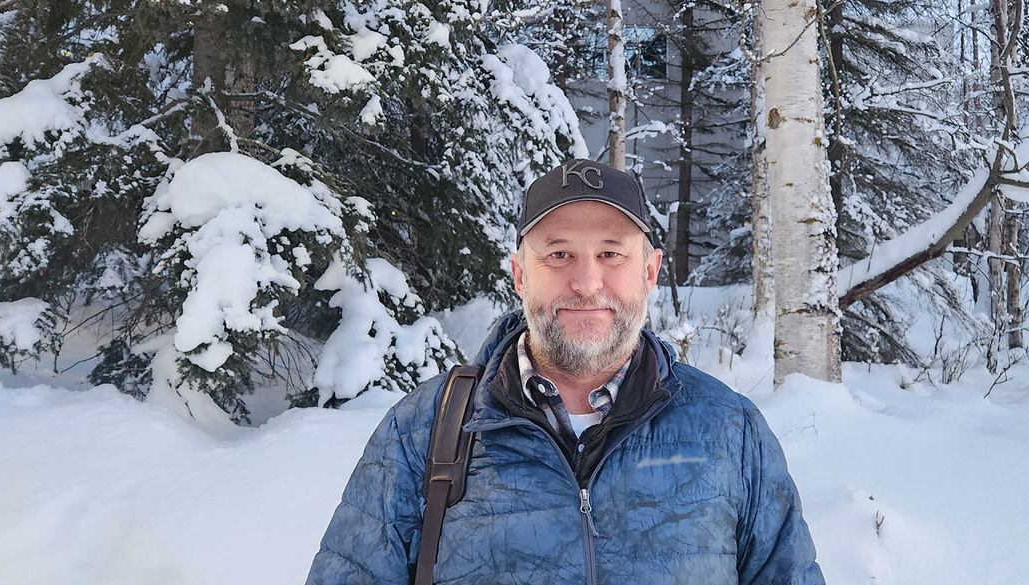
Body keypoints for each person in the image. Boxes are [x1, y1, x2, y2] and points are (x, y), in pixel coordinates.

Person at [306, 159, 824, 584]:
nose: (586, 281)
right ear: (519, 275)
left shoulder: (730, 431)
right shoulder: (423, 430)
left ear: (649, 272)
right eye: (558, 254)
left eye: (610, 253)